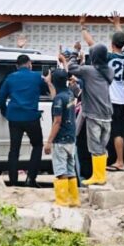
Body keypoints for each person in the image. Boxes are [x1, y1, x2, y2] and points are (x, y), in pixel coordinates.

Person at [81, 12, 124, 172]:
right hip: (123, 98)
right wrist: (117, 24)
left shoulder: (108, 57)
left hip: (111, 99)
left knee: (112, 132)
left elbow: (91, 43)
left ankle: (118, 161)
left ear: (112, 43)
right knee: (119, 132)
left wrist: (83, 26)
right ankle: (119, 160)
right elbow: (123, 40)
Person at [64, 37, 115, 186]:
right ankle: (101, 175)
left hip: (93, 114)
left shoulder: (89, 71)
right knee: (102, 147)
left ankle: (97, 176)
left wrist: (75, 51)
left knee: (94, 147)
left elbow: (71, 67)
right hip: (107, 114)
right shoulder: (109, 71)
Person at [0, 54, 53, 187]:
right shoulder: (36, 77)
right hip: (31, 117)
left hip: (14, 118)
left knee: (14, 150)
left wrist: (5, 112)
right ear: (29, 64)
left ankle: (13, 182)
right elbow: (48, 90)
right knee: (37, 146)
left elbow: (1, 98)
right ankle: (30, 179)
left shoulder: (10, 77)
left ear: (17, 66)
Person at [43, 69, 79, 206]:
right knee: (70, 170)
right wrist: (49, 83)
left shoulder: (59, 99)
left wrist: (49, 142)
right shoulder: (69, 94)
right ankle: (74, 200)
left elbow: (57, 121)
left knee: (60, 171)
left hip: (61, 140)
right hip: (71, 138)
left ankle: (62, 201)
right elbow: (56, 98)